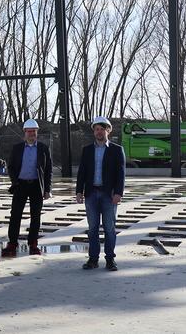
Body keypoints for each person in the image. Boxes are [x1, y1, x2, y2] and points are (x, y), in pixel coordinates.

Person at [76, 116, 125, 271]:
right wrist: (79, 191)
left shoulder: (117, 150)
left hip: (108, 195)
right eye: (96, 129)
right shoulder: (87, 150)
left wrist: (118, 193)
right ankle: (93, 259)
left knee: (110, 228)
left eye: (102, 129)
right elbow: (81, 172)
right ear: (94, 132)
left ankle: (110, 259)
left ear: (108, 131)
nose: (99, 132)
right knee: (92, 229)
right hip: (91, 194)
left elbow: (121, 173)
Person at [1, 119, 52, 257]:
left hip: (36, 185)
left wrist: (47, 189)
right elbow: (11, 167)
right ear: (24, 132)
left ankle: (33, 243)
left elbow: (48, 170)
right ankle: (12, 243)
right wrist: (15, 181)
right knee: (15, 215)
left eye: (34, 132)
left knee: (35, 216)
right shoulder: (17, 148)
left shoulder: (43, 148)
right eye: (29, 132)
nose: (31, 134)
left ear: (37, 133)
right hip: (20, 185)